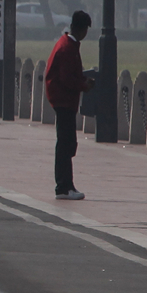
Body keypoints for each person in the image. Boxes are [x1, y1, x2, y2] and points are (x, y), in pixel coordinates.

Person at [43, 10, 95, 200]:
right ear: (81, 29)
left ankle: (67, 184)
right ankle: (63, 187)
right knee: (65, 143)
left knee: (67, 142)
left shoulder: (67, 44)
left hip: (63, 100)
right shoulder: (67, 48)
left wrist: (82, 79)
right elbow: (66, 79)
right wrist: (83, 85)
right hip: (63, 99)